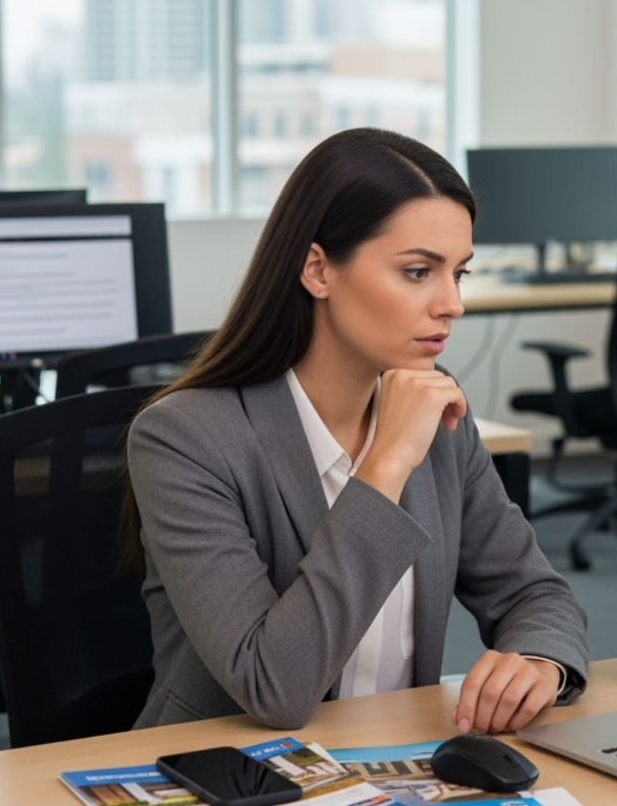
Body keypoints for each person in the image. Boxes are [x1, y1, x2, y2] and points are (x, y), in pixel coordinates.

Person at [125, 128, 588, 732]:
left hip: (392, 765)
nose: (453, 303)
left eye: (460, 274)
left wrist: (538, 661)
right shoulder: (185, 439)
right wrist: (386, 464)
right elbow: (274, 688)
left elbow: (536, 595)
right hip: (227, 775)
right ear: (318, 270)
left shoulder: (438, 413)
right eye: (419, 271)